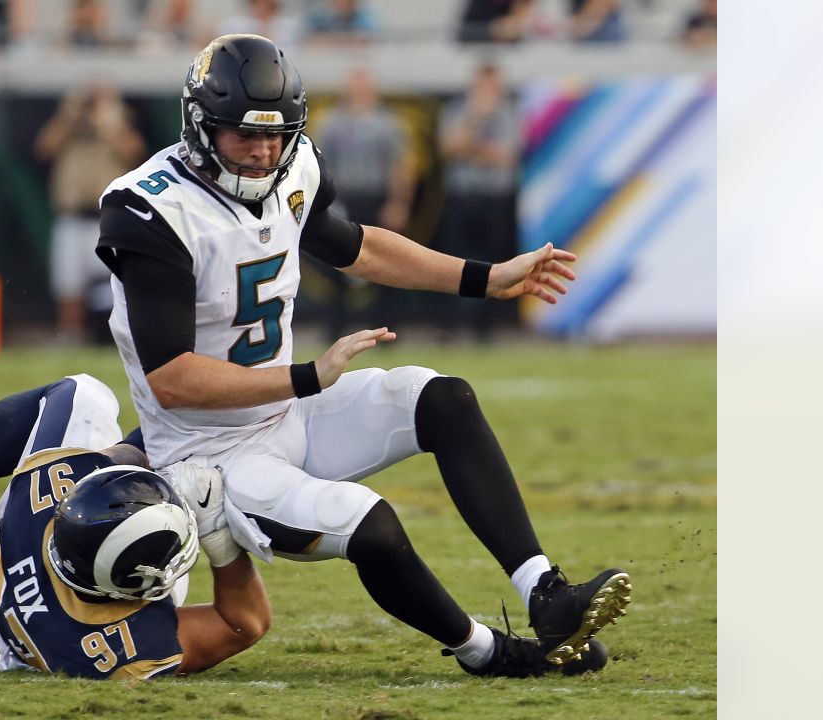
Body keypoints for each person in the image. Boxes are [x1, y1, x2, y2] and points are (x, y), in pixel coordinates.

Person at [93, 34, 630, 677]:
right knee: (370, 525)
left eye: (277, 135)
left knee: (443, 399)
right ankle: (487, 652)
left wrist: (484, 278)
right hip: (209, 456)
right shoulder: (152, 207)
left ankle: (547, 595)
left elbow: (357, 248)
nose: (264, 151)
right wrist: (305, 376)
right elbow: (173, 379)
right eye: (243, 134)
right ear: (199, 126)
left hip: (286, 411)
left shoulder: (293, 166)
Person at [0, 374, 270, 678]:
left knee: (84, 394)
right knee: (181, 485)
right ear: (135, 593)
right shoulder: (127, 648)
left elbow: (98, 442)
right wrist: (215, 535)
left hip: (0, 568)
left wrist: (143, 451)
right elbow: (243, 623)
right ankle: (13, 638)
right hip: (48, 622)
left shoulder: (43, 499)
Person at [36, 83, 146, 343]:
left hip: (106, 216)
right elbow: (44, 148)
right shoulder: (68, 126)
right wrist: (69, 116)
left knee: (116, 282)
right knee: (69, 284)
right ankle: (71, 335)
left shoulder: (118, 124)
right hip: (72, 215)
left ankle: (119, 336)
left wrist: (109, 123)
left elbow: (136, 154)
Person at [313, 66, 413, 338]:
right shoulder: (332, 122)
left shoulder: (386, 122)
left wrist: (398, 202)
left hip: (376, 197)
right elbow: (321, 166)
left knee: (387, 264)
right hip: (343, 200)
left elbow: (398, 165)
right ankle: (335, 330)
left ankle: (388, 330)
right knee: (336, 264)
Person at [438, 62, 521, 340]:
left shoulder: (508, 112)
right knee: (456, 260)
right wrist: (475, 119)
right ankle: (454, 323)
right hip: (463, 194)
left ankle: (487, 327)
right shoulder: (459, 110)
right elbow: (448, 148)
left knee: (495, 261)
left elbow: (506, 156)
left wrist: (470, 147)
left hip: (496, 197)